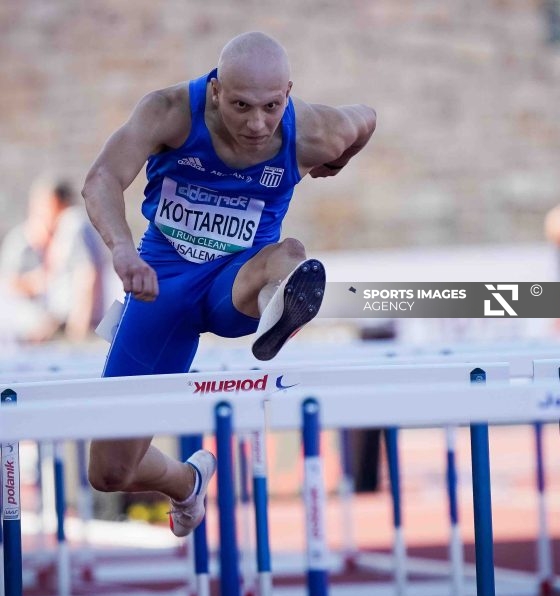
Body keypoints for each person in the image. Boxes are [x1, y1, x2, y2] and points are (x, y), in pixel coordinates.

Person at [82, 31, 376, 537]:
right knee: (108, 473)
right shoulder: (169, 111)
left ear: (288, 93)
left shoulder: (315, 131)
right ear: (216, 90)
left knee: (288, 255)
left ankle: (279, 303)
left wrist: (338, 161)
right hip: (161, 288)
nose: (257, 124)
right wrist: (123, 250)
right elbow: (101, 178)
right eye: (241, 106)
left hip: (234, 284)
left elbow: (366, 118)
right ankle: (188, 481)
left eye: (271, 107)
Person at [0, 177, 106, 342]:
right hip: (61, 325)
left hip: (75, 325)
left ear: (54, 202)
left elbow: (87, 274)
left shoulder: (73, 224)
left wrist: (78, 330)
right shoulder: (56, 232)